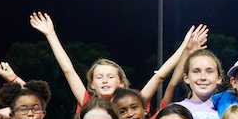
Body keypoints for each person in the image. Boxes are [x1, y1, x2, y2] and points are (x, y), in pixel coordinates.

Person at [27, 11, 200, 108]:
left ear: (121, 83)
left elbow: (159, 76)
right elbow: (68, 70)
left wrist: (184, 47)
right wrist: (50, 34)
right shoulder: (87, 102)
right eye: (99, 77)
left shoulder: (133, 104)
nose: (104, 80)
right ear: (92, 84)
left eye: (110, 77)